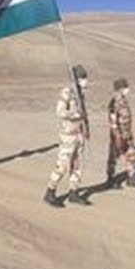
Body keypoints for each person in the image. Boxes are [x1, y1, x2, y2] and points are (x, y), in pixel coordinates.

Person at [44, 65, 91, 207]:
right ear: (76, 79)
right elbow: (60, 112)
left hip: (79, 135)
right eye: (83, 78)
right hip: (68, 136)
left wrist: (86, 129)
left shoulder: (80, 94)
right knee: (62, 166)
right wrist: (75, 115)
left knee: (76, 165)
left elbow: (84, 114)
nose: (86, 81)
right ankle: (50, 191)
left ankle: (73, 192)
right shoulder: (67, 92)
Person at [107, 78, 135, 188]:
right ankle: (111, 179)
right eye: (125, 87)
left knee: (131, 155)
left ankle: (132, 178)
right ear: (120, 89)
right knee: (114, 157)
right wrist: (117, 136)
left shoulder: (123, 100)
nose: (127, 89)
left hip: (127, 133)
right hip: (117, 135)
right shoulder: (114, 102)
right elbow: (113, 120)